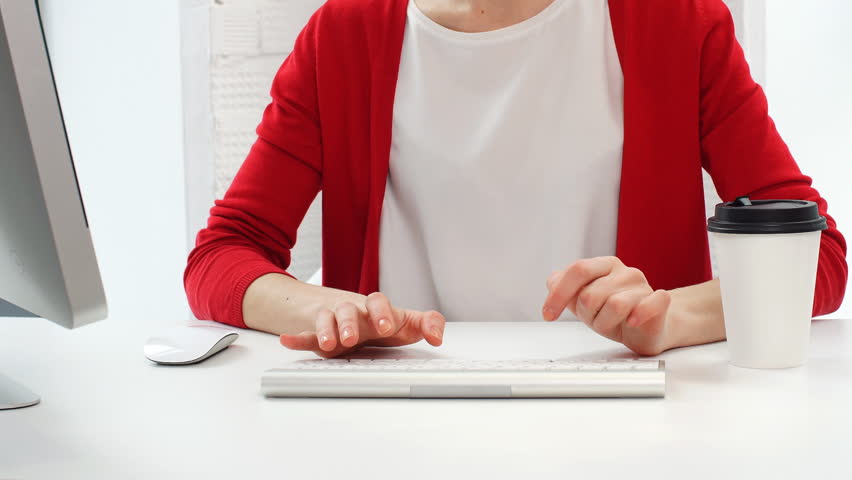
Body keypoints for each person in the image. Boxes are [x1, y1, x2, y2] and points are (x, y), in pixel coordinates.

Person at [184, 0, 848, 359]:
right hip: (394, 422)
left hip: (632, 426)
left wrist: (671, 318)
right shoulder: (342, 34)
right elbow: (221, 255)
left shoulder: (679, 23)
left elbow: (815, 258)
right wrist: (322, 309)